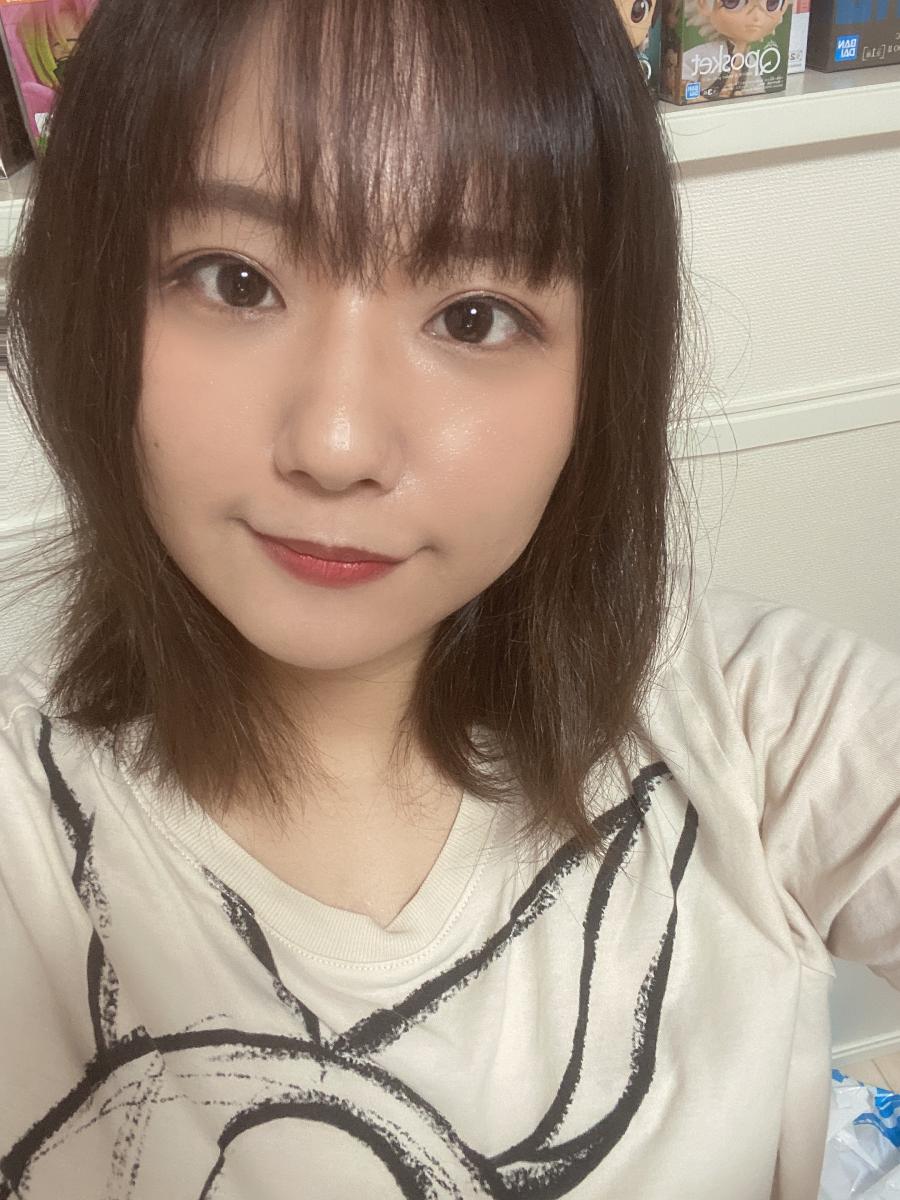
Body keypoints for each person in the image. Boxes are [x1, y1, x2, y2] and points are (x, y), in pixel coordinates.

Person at [0, 1, 897, 1198]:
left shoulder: (756, 728)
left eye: (473, 317)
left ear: (600, 374)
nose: (335, 444)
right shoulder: (24, 848)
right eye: (235, 280)